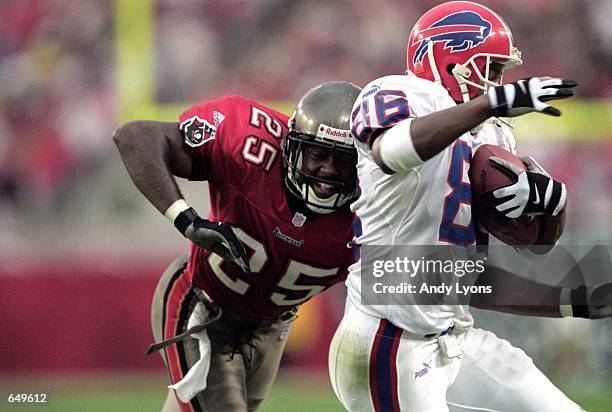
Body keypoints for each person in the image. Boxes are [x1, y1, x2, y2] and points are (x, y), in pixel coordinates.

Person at [328, 2, 612, 411]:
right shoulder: (398, 93)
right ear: (449, 59)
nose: (498, 83)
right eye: (491, 69)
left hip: (453, 336)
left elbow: (478, 270)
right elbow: (391, 151)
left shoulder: (491, 133)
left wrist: (554, 210)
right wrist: (486, 105)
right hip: (388, 340)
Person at [113, 81, 362, 411]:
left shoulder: (377, 204)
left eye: (343, 161)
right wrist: (187, 220)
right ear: (292, 147)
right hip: (203, 305)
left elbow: (410, 279)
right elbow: (134, 136)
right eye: (317, 155)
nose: (328, 171)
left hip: (273, 327)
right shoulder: (245, 139)